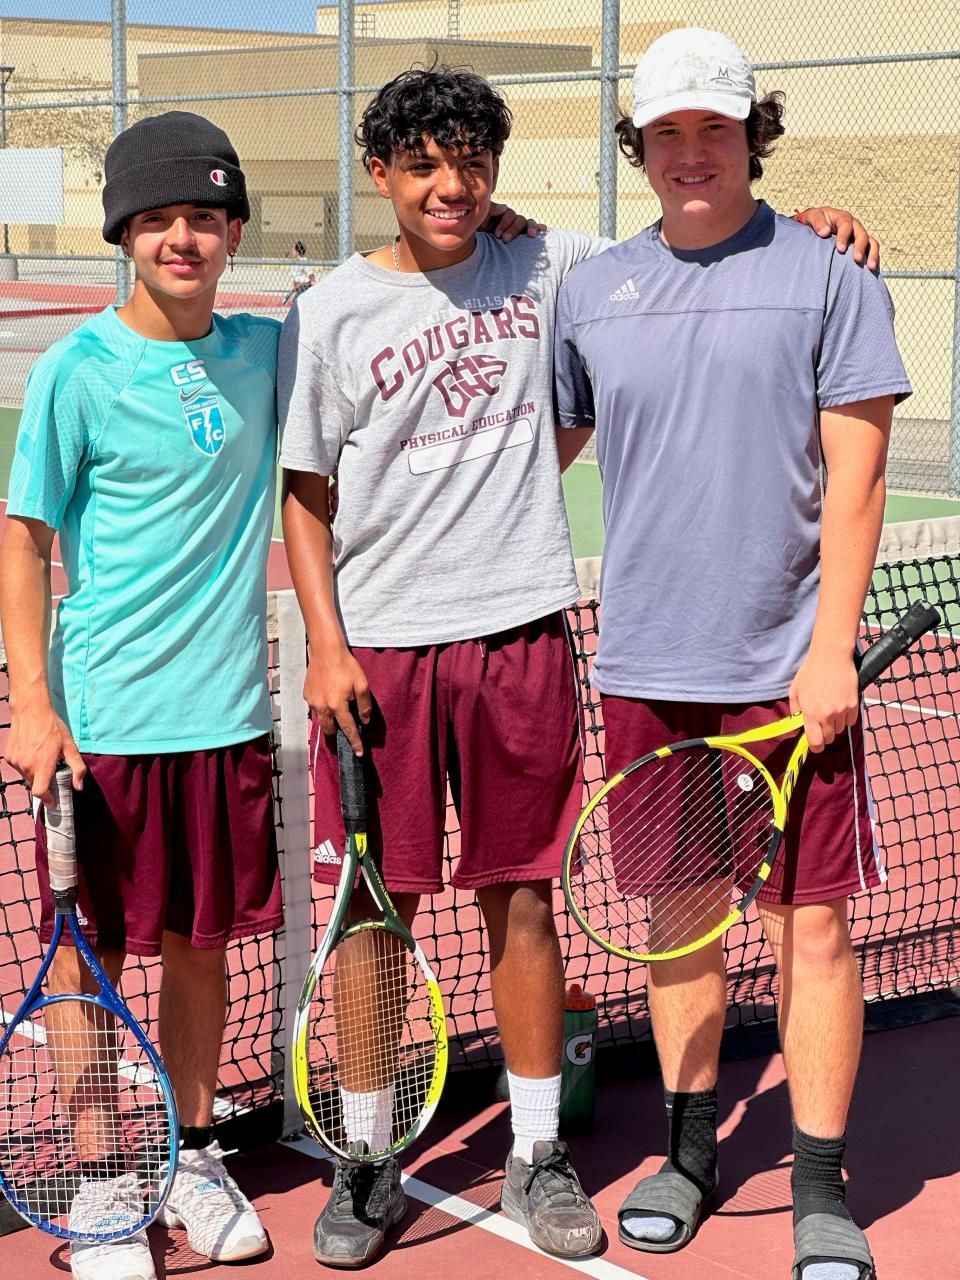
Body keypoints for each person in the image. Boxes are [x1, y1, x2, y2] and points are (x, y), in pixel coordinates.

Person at [277, 64, 877, 1270]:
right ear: (381, 175)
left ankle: (541, 1149)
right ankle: (365, 1153)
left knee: (528, 899)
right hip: (389, 650)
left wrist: (820, 217)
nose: (452, 186)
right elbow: (304, 489)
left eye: (472, 161)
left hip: (528, 634)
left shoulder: (561, 266)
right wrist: (329, 642)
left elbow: (703, 230)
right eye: (425, 164)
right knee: (377, 918)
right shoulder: (335, 309)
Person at [553, 29, 911, 1280]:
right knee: (682, 925)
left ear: (753, 134)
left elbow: (858, 486)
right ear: (639, 150)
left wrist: (829, 654)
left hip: (791, 677)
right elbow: (540, 456)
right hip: (650, 669)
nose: (691, 152)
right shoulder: (590, 292)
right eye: (667, 134)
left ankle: (821, 1184)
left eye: (714, 129)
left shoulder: (831, 275)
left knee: (817, 930)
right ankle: (692, 1152)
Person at [0, 111, 280, 1280]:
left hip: (228, 719)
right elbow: (23, 539)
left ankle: (195, 1152)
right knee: (84, 960)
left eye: (205, 218)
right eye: (159, 218)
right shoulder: (76, 371)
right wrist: (30, 701)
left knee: (200, 945)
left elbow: (420, 278)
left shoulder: (271, 350)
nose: (183, 238)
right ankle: (107, 1173)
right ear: (125, 231)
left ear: (229, 233)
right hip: (103, 723)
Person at [285, 239, 316, 305]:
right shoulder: (296, 262)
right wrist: (292, 290)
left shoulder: (303, 261)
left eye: (293, 250)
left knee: (296, 305)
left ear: (298, 251)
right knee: (294, 304)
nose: (292, 252)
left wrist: (314, 288)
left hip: (303, 288)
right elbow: (296, 278)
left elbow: (311, 274)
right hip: (298, 289)